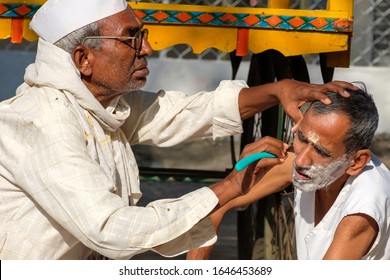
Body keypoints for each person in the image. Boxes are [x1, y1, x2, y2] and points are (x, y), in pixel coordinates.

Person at [0, 0, 355, 260]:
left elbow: (181, 112)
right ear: (83, 59)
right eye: (132, 39)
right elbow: (110, 229)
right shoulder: (43, 120)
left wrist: (277, 90)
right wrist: (228, 187)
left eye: (144, 35)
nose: (148, 48)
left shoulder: (102, 104)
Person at [187, 84, 390, 260]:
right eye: (301, 138)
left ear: (356, 162)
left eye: (321, 151)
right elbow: (212, 206)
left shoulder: (361, 212)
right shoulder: (307, 164)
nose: (300, 160)